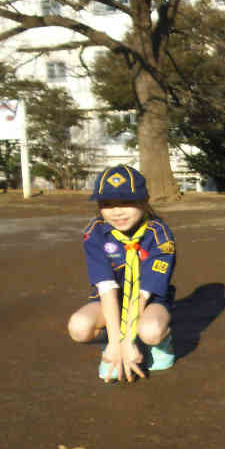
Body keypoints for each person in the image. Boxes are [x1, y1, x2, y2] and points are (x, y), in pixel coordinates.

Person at [67, 164, 176, 382]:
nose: (117, 212)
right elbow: (106, 289)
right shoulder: (95, 233)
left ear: (144, 201)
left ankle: (159, 343)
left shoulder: (159, 234)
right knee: (79, 327)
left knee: (151, 331)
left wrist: (129, 341)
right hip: (110, 300)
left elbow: (143, 294)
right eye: (107, 204)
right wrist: (117, 343)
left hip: (149, 300)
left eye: (126, 202)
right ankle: (110, 344)